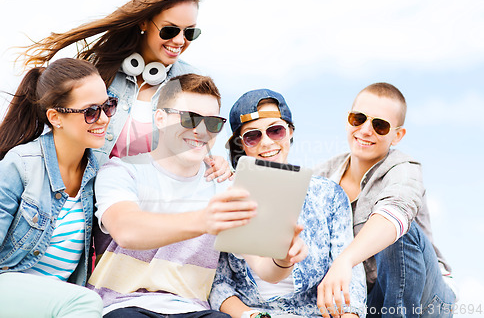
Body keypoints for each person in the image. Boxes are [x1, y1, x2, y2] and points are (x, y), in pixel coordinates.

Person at [87, 74, 305, 317]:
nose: (201, 131)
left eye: (212, 123)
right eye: (190, 119)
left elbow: (266, 270)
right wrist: (204, 219)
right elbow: (127, 231)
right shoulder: (123, 171)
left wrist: (284, 259)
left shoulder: (224, 186)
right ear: (160, 118)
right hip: (122, 306)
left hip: (193, 310)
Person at [21, 0, 230, 181]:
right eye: (169, 30)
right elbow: (61, 127)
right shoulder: (96, 71)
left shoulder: (189, 82)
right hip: (88, 197)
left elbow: (196, 138)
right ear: (144, 23)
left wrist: (213, 160)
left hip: (150, 203)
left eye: (189, 33)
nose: (179, 40)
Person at [209, 89, 366, 318]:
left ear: (290, 132)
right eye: (253, 136)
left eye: (276, 130)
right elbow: (218, 282)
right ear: (241, 144)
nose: (266, 143)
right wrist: (250, 316)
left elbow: (350, 276)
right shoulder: (228, 195)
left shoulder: (328, 196)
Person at [0, 58, 117, 317]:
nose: (103, 119)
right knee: (87, 303)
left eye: (108, 106)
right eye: (90, 111)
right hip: (1, 290)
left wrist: (207, 163)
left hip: (54, 303)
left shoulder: (97, 174)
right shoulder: (21, 165)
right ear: (55, 117)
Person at [314, 83, 456, 318]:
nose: (365, 130)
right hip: (370, 298)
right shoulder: (321, 176)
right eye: (358, 118)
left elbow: (396, 212)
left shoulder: (405, 170)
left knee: (396, 231)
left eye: (380, 125)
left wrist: (345, 260)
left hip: (426, 300)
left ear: (397, 135)